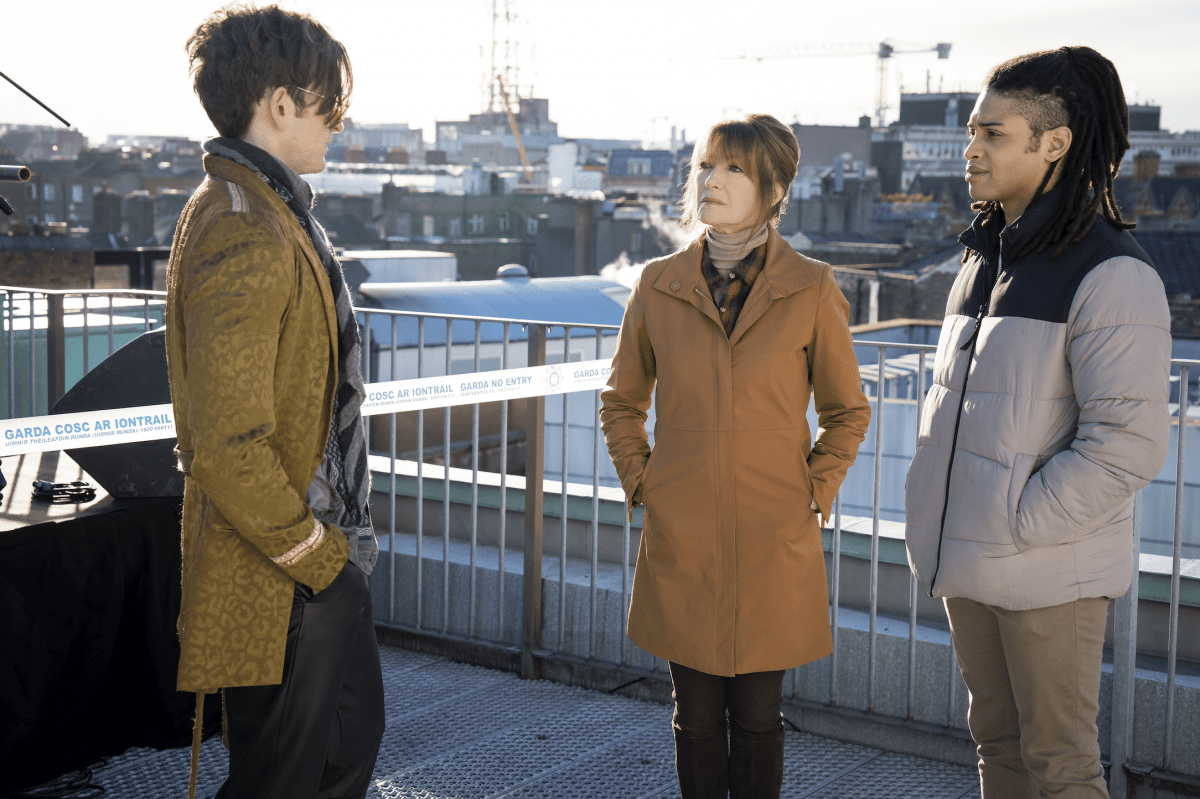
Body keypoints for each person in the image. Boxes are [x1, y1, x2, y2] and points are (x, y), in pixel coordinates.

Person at [904, 47, 1171, 798]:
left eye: (993, 133)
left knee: (1061, 764)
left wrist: (1018, 519)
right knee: (998, 745)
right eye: (971, 132)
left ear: (1053, 143)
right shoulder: (983, 259)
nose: (971, 150)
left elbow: (1128, 446)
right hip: (970, 556)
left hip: (1046, 567)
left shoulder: (1111, 271)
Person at [600, 114, 870, 799]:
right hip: (682, 528)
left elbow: (847, 411)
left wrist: (812, 490)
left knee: (756, 718)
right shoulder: (657, 284)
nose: (712, 181)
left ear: (774, 188)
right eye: (705, 166)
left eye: (735, 169)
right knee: (693, 717)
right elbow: (621, 401)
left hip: (770, 532)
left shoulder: (810, 287)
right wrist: (645, 481)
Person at [165, 6, 384, 798]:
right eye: (327, 100)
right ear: (279, 103)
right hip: (287, 570)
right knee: (291, 774)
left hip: (311, 560)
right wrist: (320, 562)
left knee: (336, 750)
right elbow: (226, 442)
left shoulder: (268, 209)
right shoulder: (243, 225)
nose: (338, 120)